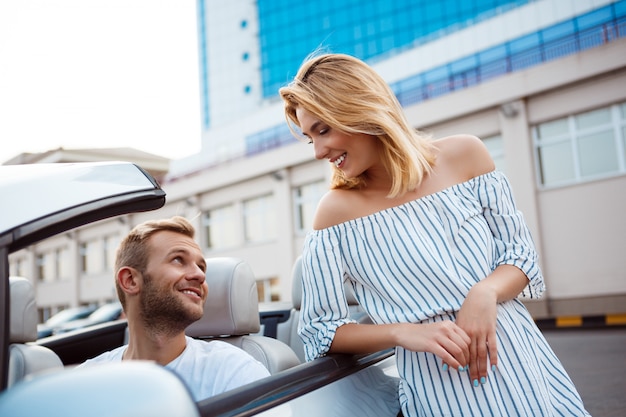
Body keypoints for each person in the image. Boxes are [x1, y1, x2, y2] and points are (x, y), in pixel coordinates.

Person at [279, 53, 590, 416]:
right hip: (439, 386)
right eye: (309, 138)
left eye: (323, 130)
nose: (318, 151)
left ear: (359, 108)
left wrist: (485, 291)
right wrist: (403, 333)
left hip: (524, 366)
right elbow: (322, 329)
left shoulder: (466, 155)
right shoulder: (333, 214)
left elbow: (520, 257)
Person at [78, 216, 270, 400]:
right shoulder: (86, 381)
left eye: (201, 267)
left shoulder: (234, 372)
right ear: (130, 281)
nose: (200, 275)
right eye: (178, 260)